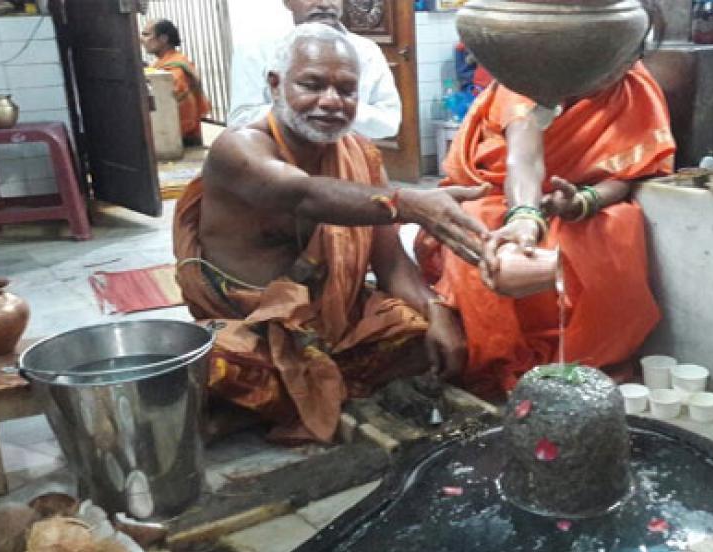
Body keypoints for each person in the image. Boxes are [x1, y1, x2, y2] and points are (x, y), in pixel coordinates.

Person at [175, 23, 488, 442]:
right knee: (210, 368)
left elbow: (391, 262)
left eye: (346, 90)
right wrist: (410, 204)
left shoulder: (360, 155)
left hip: (336, 326)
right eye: (312, 85)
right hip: (251, 330)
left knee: (426, 338)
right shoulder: (239, 148)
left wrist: (436, 313)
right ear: (275, 84)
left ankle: (291, 396)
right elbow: (299, 194)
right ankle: (302, 390)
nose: (330, 102)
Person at [424, 40, 676, 399]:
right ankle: (498, 360)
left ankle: (588, 360)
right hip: (503, 191)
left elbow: (627, 170)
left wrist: (586, 201)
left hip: (579, 196)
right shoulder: (527, 76)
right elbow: (522, 160)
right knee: (480, 220)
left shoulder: (633, 86)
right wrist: (525, 216)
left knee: (619, 225)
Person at [227, 0, 401, 140]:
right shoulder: (257, 49)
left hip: (349, 169)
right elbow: (241, 120)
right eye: (309, 85)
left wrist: (343, 110)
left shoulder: (366, 51)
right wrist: (301, 110)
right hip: (280, 164)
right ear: (286, 2)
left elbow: (389, 123)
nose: (325, 4)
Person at [142, 19, 212, 146]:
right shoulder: (164, 63)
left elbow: (181, 111)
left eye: (146, 34)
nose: (142, 39)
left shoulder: (175, 69)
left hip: (182, 139)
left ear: (163, 39)